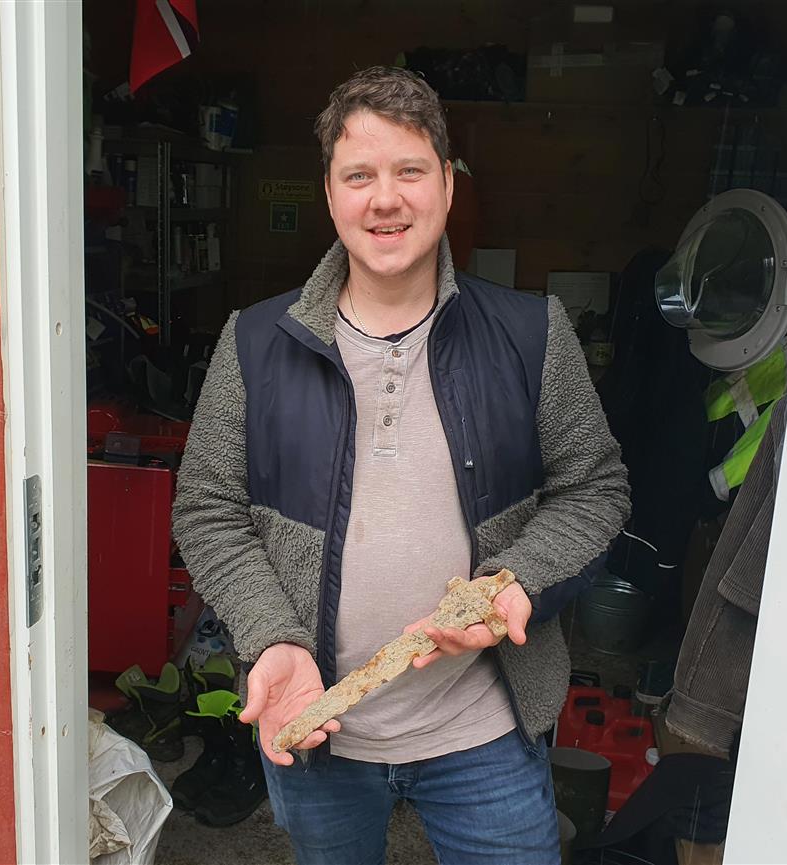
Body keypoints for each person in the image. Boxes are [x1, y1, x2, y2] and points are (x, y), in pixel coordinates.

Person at [172, 66, 630, 865]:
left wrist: (516, 578)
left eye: (409, 171)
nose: (385, 199)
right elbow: (207, 507)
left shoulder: (532, 334)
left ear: (448, 187)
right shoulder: (254, 342)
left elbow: (595, 489)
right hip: (319, 729)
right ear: (330, 195)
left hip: (484, 727)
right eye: (360, 176)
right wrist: (272, 635)